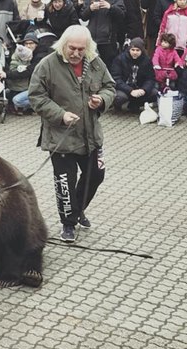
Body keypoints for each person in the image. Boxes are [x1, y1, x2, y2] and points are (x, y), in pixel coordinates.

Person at [29, 25, 115, 242]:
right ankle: (68, 223)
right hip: (61, 137)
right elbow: (36, 96)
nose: (76, 53)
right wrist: (60, 114)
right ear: (63, 45)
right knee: (64, 183)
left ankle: (76, 211)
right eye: (72, 48)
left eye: (81, 49)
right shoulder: (47, 65)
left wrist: (102, 99)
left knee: (95, 175)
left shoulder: (95, 61)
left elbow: (110, 87)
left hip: (90, 135)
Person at [110, 37, 158, 113]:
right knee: (119, 97)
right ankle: (117, 106)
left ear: (142, 50)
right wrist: (130, 90)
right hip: (124, 88)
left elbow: (150, 78)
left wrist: (144, 89)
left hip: (139, 88)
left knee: (155, 93)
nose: (135, 52)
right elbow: (116, 78)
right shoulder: (120, 59)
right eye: (133, 50)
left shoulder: (147, 60)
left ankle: (135, 104)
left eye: (137, 50)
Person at [79, 0, 127, 67]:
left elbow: (122, 15)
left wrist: (111, 7)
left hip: (108, 41)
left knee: (108, 66)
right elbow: (83, 16)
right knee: (91, 66)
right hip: (92, 40)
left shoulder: (115, 1)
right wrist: (90, 8)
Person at [6, 44, 33, 115]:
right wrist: (21, 69)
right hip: (15, 83)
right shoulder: (14, 62)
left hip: (24, 83)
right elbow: (12, 70)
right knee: (13, 94)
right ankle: (10, 107)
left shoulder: (26, 61)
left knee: (21, 92)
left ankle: (20, 108)